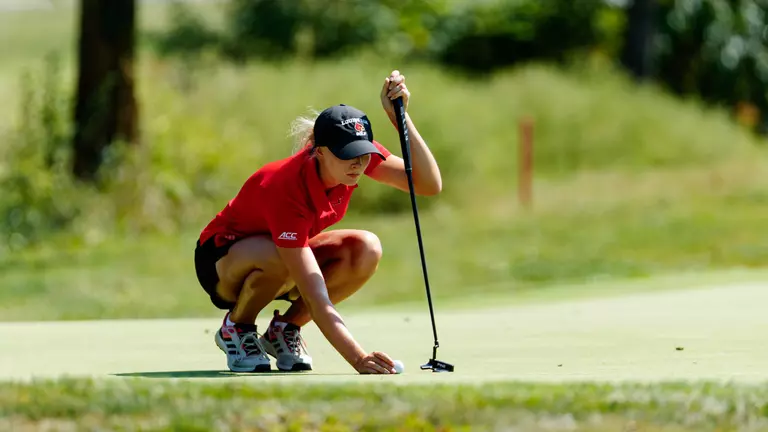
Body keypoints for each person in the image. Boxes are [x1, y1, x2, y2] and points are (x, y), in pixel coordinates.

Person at [194, 70, 442, 374]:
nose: (358, 163)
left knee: (365, 248)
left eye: (363, 154)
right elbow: (316, 295)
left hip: (281, 255)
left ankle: (284, 329)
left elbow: (428, 184)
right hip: (222, 262)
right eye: (347, 155)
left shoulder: (354, 161)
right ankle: (237, 327)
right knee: (278, 254)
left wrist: (400, 118)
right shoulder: (285, 188)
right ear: (319, 151)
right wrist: (359, 359)